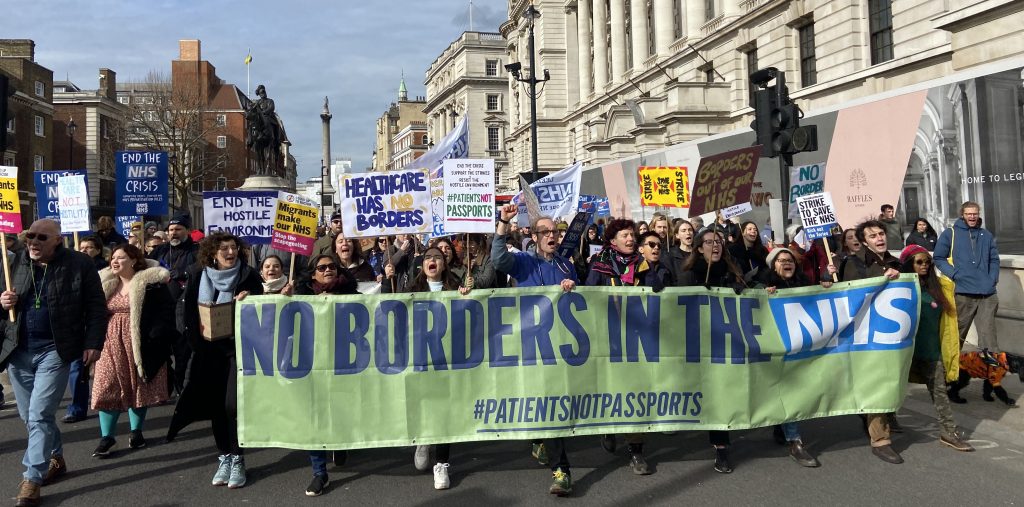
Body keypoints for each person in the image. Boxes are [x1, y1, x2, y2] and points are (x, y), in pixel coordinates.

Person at [0, 219, 108, 507]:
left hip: (55, 349)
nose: (33, 242)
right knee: (32, 417)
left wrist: (93, 342)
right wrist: (3, 301)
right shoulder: (12, 262)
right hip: (18, 350)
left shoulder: (80, 264)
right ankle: (55, 458)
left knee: (38, 414)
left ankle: (32, 478)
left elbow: (96, 307)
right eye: (29, 236)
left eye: (41, 238)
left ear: (58, 240)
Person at [491, 203, 578, 496]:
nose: (552, 236)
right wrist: (504, 222)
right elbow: (499, 259)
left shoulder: (567, 266)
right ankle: (538, 440)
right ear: (534, 236)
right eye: (546, 232)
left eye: (555, 231)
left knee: (552, 404)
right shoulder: (525, 262)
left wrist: (572, 288)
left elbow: (584, 301)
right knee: (537, 401)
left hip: (558, 346)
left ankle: (562, 471)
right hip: (528, 344)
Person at [167, 232, 263, 489]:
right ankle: (226, 457)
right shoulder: (198, 275)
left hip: (238, 351)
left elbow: (264, 308)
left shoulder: (249, 275)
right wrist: (193, 343)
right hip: (207, 352)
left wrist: (248, 302)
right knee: (216, 407)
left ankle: (239, 458)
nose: (231, 253)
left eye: (233, 248)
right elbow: (186, 312)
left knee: (232, 405)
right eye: (224, 250)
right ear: (212, 254)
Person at [383, 248, 469, 490]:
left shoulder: (455, 287)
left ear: (445, 264)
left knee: (443, 410)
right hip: (419, 357)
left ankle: (441, 464)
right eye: (429, 258)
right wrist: (386, 280)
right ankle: (423, 438)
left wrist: (467, 295)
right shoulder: (412, 290)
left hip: (446, 360)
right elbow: (389, 307)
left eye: (438, 258)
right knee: (421, 402)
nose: (433, 261)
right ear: (422, 265)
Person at [752, 247, 832, 468]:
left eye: (790, 260)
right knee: (783, 391)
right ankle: (790, 436)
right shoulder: (763, 286)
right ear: (772, 266)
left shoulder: (803, 284)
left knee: (792, 392)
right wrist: (761, 292)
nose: (787, 263)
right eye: (781, 260)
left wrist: (825, 285)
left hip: (798, 347)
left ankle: (791, 436)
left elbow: (817, 302)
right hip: (774, 348)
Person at [90, 245, 173, 458]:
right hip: (110, 342)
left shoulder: (151, 284)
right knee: (106, 385)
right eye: (113, 258)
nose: (114, 261)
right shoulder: (105, 283)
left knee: (138, 385)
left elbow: (165, 310)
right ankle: (106, 437)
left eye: (120, 257)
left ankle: (136, 432)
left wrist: (156, 335)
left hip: (140, 341)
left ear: (134, 260)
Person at [676, 228, 746, 473]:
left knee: (722, 393)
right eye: (709, 242)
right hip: (700, 344)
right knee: (712, 393)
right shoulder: (688, 274)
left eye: (718, 241)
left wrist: (743, 290)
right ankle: (720, 445)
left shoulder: (731, 270)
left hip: (728, 341)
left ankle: (723, 444)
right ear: (698, 248)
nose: (715, 245)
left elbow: (750, 290)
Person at [293, 254, 358, 496]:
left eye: (332, 266)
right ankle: (320, 473)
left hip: (344, 364)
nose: (328, 270)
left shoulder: (351, 293)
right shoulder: (302, 296)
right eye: (322, 267)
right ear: (313, 274)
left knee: (341, 410)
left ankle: (339, 441)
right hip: (312, 365)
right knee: (315, 417)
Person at [898, 245, 974, 452]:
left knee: (940, 393)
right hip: (904, 352)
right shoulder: (897, 288)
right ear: (908, 265)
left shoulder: (940, 287)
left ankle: (949, 432)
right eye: (919, 262)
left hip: (932, 352)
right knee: (894, 390)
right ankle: (885, 424)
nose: (924, 266)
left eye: (927, 262)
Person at [840, 220, 904, 464]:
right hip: (866, 334)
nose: (879, 238)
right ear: (863, 241)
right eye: (872, 235)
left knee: (889, 377)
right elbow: (854, 295)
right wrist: (883, 278)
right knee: (876, 381)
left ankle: (879, 414)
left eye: (881, 233)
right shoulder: (854, 263)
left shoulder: (895, 262)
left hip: (892, 333)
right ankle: (880, 440)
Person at [933, 201, 1001, 364]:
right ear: (962, 215)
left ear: (979, 215)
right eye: (969, 214)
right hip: (962, 293)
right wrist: (956, 274)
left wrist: (992, 279)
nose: (972, 217)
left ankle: (992, 380)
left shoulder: (987, 235)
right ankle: (947, 374)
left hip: (987, 293)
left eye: (975, 213)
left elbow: (994, 259)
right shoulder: (950, 233)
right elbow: (938, 258)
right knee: (957, 335)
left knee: (989, 339)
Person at [148, 213, 199, 396]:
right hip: (161, 312)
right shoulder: (159, 251)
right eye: (170, 230)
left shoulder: (196, 250)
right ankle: (165, 388)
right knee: (160, 354)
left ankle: (182, 391)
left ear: (187, 230)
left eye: (178, 229)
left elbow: (202, 268)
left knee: (182, 355)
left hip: (184, 311)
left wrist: (183, 272)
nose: (173, 233)